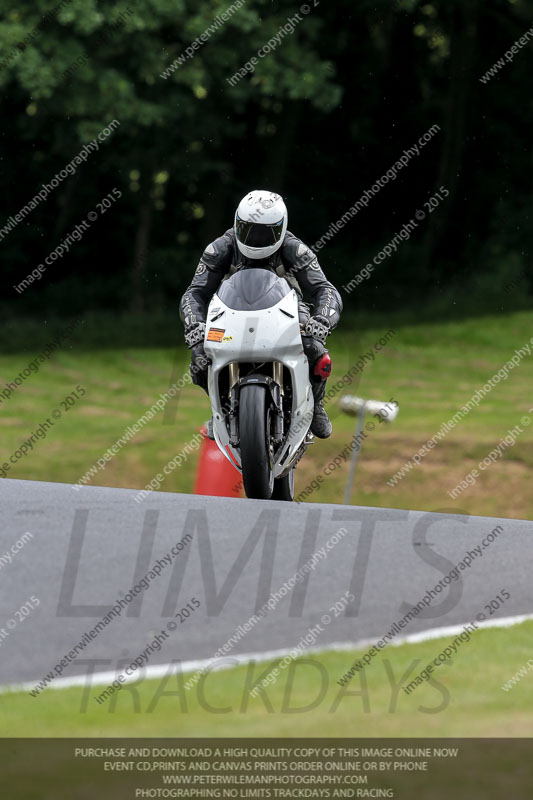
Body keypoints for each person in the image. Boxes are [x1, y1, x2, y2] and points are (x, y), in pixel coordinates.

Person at [179, 190, 343, 439]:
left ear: (281, 228)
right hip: (229, 312)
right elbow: (195, 293)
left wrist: (322, 319)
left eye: (265, 232)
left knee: (315, 350)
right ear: (237, 223)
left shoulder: (294, 249)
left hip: (288, 313)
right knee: (200, 357)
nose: (255, 238)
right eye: (249, 230)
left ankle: (316, 404)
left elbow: (324, 289)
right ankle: (219, 410)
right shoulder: (220, 248)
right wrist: (194, 324)